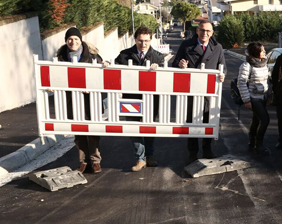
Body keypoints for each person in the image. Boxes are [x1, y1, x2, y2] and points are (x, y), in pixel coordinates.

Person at [172, 20, 226, 163]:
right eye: (202, 30)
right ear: (197, 31)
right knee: (192, 121)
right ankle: (193, 152)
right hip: (191, 90)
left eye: (208, 31)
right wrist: (180, 64)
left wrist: (223, 74)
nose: (205, 33)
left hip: (209, 92)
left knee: (208, 120)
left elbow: (223, 67)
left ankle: (207, 149)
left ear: (212, 32)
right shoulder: (186, 45)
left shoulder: (218, 47)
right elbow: (175, 62)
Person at [56, 27, 109, 173]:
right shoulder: (60, 57)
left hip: (91, 100)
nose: (73, 42)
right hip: (72, 100)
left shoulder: (92, 56)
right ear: (66, 41)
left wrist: (105, 65)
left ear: (81, 40)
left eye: (76, 39)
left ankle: (95, 160)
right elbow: (56, 77)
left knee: (93, 132)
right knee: (79, 133)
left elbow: (101, 77)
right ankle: (83, 162)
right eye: (70, 39)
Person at [115, 26, 165, 172]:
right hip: (130, 99)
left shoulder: (158, 57)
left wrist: (160, 68)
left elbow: (165, 78)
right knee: (133, 128)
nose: (143, 44)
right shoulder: (124, 55)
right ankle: (140, 159)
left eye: (146, 41)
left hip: (151, 99)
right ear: (135, 39)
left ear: (151, 40)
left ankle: (149, 156)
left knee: (149, 128)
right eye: (140, 41)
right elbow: (114, 70)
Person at [238, 42, 271, 155]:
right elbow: (241, 83)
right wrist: (246, 100)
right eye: (262, 50)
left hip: (263, 97)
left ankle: (252, 142)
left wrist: (269, 95)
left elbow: (267, 80)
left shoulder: (264, 63)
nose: (265, 52)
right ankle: (259, 144)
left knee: (256, 120)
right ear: (256, 52)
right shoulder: (247, 65)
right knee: (265, 120)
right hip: (254, 98)